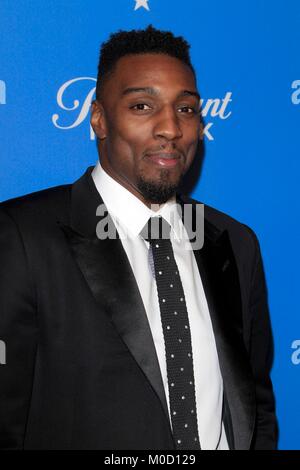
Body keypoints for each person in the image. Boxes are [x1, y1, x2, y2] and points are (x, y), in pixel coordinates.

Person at [0, 25, 277, 450]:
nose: (170, 128)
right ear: (99, 118)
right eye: (143, 105)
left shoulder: (235, 243)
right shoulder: (21, 236)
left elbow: (256, 404)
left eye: (186, 110)